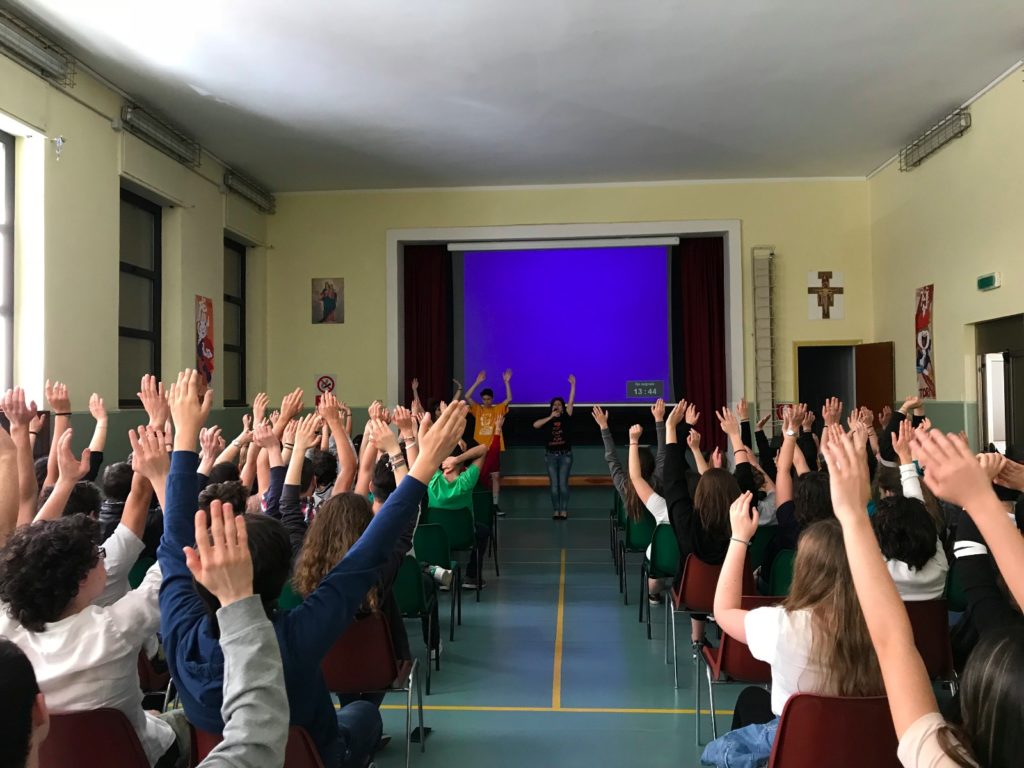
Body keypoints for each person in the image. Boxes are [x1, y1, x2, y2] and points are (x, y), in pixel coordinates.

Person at [154, 369, 468, 768]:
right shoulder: (295, 637)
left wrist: (183, 439)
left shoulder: (181, 630)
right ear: (283, 569)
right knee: (363, 715)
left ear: (198, 566)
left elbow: (173, 535)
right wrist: (422, 463)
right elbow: (366, 554)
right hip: (318, 757)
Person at [0, 500, 291, 768]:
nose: (105, 555)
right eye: (100, 552)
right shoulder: (114, 629)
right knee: (190, 719)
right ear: (81, 580)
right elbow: (170, 571)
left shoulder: (8, 637)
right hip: (146, 755)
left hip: (69, 757)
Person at [825, 425, 1024, 768]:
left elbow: (892, 643)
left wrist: (853, 513)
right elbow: (893, 644)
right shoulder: (939, 564)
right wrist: (980, 497)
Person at [701, 490, 884, 766]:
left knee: (741, 718)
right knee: (752, 699)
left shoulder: (783, 625)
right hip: (863, 743)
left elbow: (723, 612)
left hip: (804, 744)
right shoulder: (887, 624)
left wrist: (739, 538)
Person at [426, 416, 503, 590]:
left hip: (438, 536)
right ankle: (471, 576)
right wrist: (458, 459)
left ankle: (442, 574)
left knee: (434, 531)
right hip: (464, 535)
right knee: (483, 531)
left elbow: (426, 449)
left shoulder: (433, 479)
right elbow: (483, 449)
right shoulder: (467, 481)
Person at [464, 369, 512, 515]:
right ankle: (477, 503)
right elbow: (467, 396)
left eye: (488, 399)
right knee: (477, 475)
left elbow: (509, 398)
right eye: (484, 399)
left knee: (496, 476)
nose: (486, 402)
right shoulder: (477, 409)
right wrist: (478, 382)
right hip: (479, 448)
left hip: (494, 447)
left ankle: (495, 505)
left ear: (492, 399)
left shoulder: (497, 409)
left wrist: (506, 382)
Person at [532, 374, 576, 520]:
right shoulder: (548, 419)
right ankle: (555, 510)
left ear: (563, 408)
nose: (557, 406)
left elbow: (571, 402)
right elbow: (535, 425)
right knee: (554, 485)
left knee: (563, 484)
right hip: (550, 456)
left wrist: (573, 386)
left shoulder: (567, 416)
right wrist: (551, 417)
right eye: (554, 405)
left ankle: (564, 510)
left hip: (565, 456)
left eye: (559, 404)